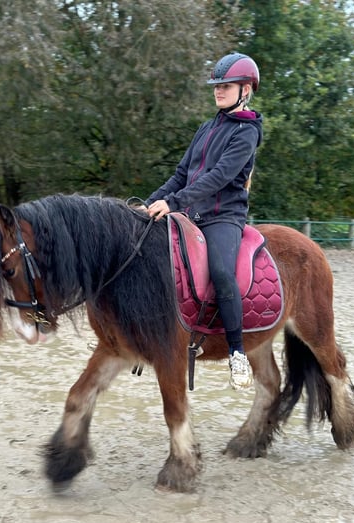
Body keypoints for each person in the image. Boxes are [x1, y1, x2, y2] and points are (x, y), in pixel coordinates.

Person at [145, 52, 263, 390]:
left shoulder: (247, 132)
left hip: (223, 217)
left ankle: (237, 352)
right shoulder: (207, 127)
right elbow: (182, 174)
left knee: (222, 273)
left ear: (245, 89)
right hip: (189, 212)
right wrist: (152, 201)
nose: (218, 91)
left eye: (225, 86)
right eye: (216, 85)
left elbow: (219, 177)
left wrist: (174, 202)